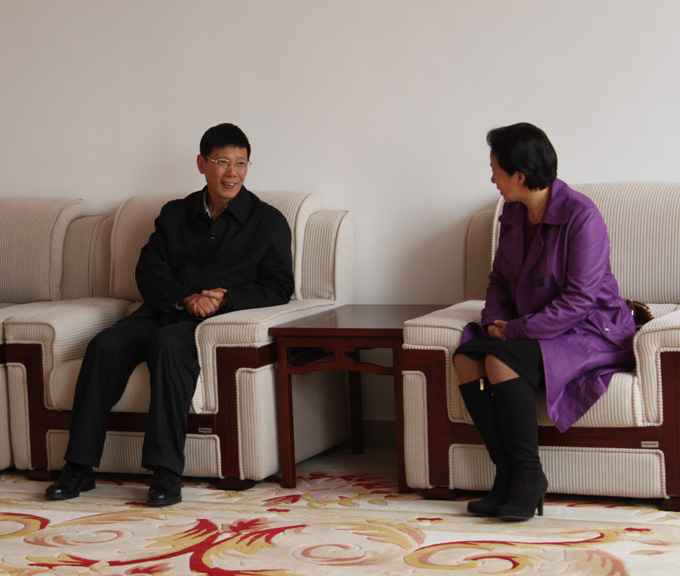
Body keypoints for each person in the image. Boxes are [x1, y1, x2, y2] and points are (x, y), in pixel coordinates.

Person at [45, 123, 294, 506]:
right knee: (105, 344)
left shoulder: (268, 221)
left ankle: (165, 472)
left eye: (241, 163)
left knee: (167, 345)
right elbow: (149, 271)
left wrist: (224, 301)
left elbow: (279, 287)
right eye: (222, 162)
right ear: (202, 164)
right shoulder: (175, 214)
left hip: (209, 324)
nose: (232, 172)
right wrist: (185, 297)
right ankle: (78, 466)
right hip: (163, 309)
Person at [453, 122, 635, 521]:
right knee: (466, 357)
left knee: (500, 359)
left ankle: (528, 476)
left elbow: (580, 300)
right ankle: (506, 473)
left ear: (519, 176)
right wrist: (495, 318)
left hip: (589, 329)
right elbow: (498, 280)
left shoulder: (581, 215)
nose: (492, 179)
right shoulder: (512, 214)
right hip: (533, 327)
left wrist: (515, 330)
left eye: (496, 170)